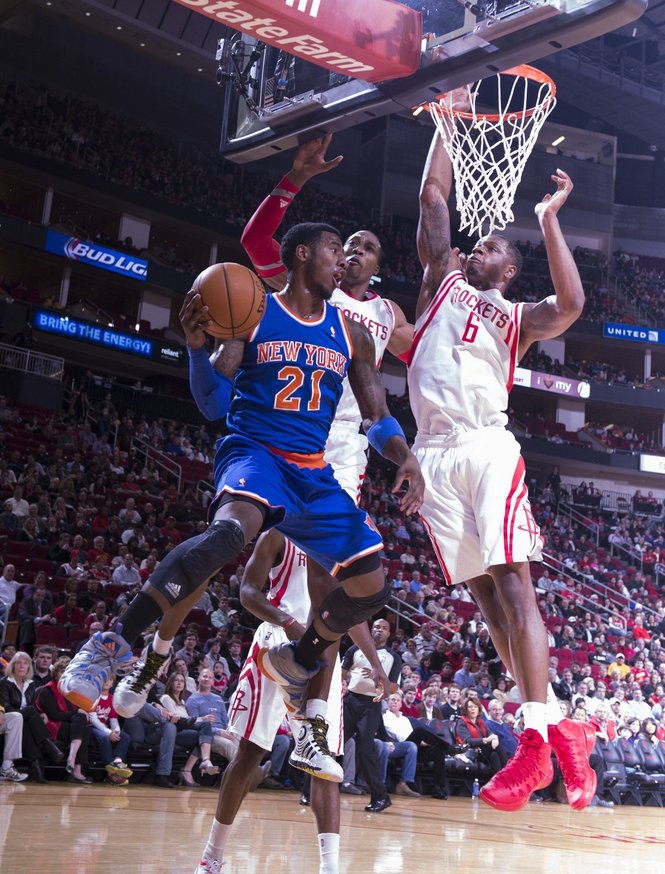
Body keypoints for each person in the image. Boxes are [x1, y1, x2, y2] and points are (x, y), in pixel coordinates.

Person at [58, 222, 423, 759]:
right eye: (332, 251)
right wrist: (193, 348)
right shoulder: (253, 313)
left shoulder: (354, 332)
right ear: (304, 256)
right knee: (232, 532)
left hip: (313, 471)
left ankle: (301, 656)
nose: (340, 261)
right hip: (255, 451)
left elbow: (379, 417)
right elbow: (211, 403)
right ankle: (112, 643)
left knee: (373, 587)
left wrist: (405, 455)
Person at [410, 100, 593, 813]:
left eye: (489, 247)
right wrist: (445, 126)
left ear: (509, 269)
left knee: (515, 588)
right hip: (431, 455)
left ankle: (533, 741)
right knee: (485, 597)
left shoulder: (513, 317)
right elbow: (432, 198)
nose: (475, 247)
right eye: (475, 243)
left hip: (486, 444)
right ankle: (559, 729)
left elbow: (572, 304)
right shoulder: (439, 282)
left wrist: (548, 221)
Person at [197, 528, 353, 874]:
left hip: (326, 654)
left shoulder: (341, 535)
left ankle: (331, 867)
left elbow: (348, 607)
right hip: (278, 641)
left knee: (324, 761)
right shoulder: (279, 535)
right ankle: (211, 856)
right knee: (251, 751)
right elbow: (248, 592)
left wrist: (371, 659)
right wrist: (288, 622)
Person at [342, 618, 402, 813]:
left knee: (364, 750)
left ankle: (381, 797)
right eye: (377, 626)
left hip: (371, 704)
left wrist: (380, 681)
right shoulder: (355, 649)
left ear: (388, 633)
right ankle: (310, 791)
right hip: (350, 701)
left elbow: (394, 687)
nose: (380, 630)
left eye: (384, 628)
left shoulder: (393, 657)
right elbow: (342, 673)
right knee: (331, 743)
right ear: (370, 629)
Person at [35, 657, 92, 783]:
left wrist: (76, 714)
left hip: (72, 725)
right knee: (82, 723)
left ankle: (73, 761)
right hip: (53, 725)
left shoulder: (73, 690)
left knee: (85, 727)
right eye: (62, 671)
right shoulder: (47, 690)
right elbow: (55, 715)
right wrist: (76, 712)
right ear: (55, 673)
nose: (65, 674)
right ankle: (75, 767)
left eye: (69, 672)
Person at [160, 671, 219, 787]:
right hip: (173, 732)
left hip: (184, 731)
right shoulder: (166, 698)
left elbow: (188, 721)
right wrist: (202, 718)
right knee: (205, 736)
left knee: (205, 733)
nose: (179, 683)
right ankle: (192, 767)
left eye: (182, 681)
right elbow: (178, 721)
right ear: (170, 683)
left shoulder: (182, 702)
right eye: (176, 680)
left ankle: (203, 761)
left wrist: (202, 720)